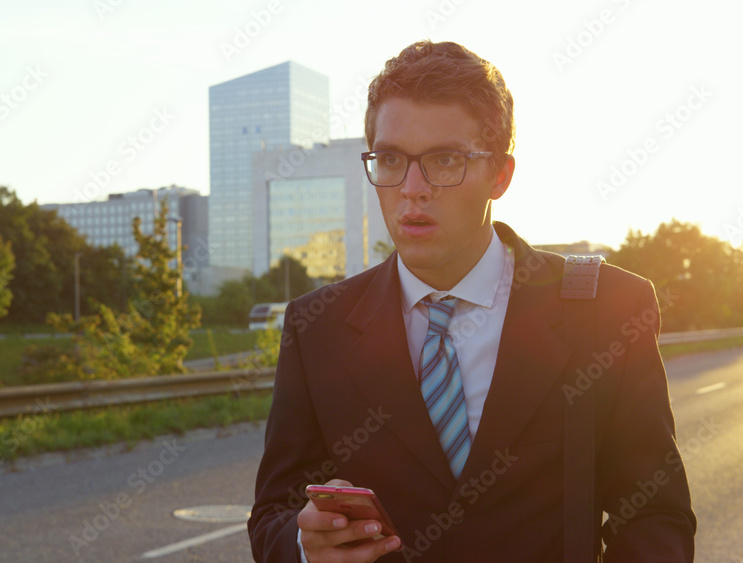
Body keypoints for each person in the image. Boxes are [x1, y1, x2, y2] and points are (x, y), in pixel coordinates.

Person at [248, 40, 696, 562]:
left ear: (500, 175)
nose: (412, 188)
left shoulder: (606, 309)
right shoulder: (317, 326)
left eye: (444, 160)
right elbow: (273, 515)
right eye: (391, 159)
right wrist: (304, 545)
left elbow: (654, 515)